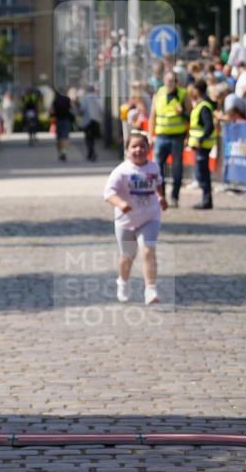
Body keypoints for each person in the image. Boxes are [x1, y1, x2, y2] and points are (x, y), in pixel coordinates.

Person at [103, 130, 167, 305]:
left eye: (142, 146)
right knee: (127, 256)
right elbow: (108, 194)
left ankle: (150, 289)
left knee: (148, 250)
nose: (138, 150)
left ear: (148, 149)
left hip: (150, 217)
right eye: (134, 147)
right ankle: (122, 282)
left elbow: (158, 183)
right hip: (126, 221)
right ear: (127, 151)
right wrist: (121, 204)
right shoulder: (121, 171)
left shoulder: (154, 168)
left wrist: (161, 197)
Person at [148, 69, 191, 208]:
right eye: (168, 81)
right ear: (164, 81)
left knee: (177, 168)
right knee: (158, 168)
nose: (170, 84)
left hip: (177, 137)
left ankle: (174, 197)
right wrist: (150, 135)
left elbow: (190, 116)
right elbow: (152, 116)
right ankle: (161, 196)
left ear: (177, 82)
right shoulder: (158, 94)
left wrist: (187, 135)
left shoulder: (183, 94)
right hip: (161, 137)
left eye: (173, 81)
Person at [188, 78, 217, 211]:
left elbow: (209, 126)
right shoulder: (201, 105)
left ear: (197, 90)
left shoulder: (204, 106)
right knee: (201, 173)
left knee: (202, 174)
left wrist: (200, 140)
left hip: (203, 145)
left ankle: (206, 200)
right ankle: (206, 199)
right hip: (201, 145)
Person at [78, 86, 102, 161]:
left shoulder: (85, 99)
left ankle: (90, 152)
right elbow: (101, 109)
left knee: (88, 137)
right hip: (96, 121)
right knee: (94, 138)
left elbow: (82, 109)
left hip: (87, 121)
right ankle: (92, 151)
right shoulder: (97, 98)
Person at [51, 89, 73, 161]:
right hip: (66, 120)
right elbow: (71, 109)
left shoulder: (55, 100)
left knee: (59, 138)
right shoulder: (67, 99)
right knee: (65, 137)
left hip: (58, 120)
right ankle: (64, 152)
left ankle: (60, 153)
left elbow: (52, 111)